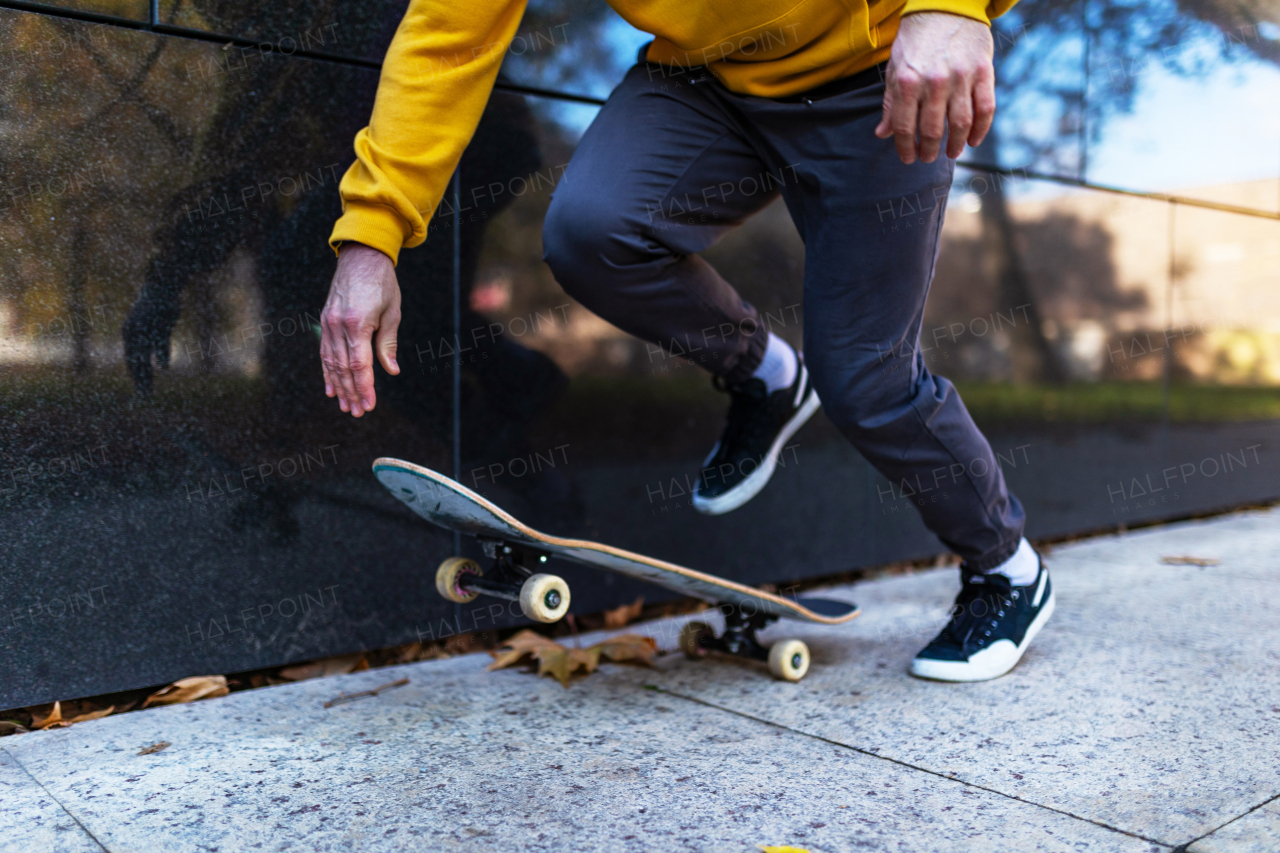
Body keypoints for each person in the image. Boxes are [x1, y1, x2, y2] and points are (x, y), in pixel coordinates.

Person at [319, 0, 1054, 682]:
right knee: (591, 232)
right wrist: (371, 237)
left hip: (881, 72)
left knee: (867, 381)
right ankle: (763, 374)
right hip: (706, 80)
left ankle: (1007, 568)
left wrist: (953, 8)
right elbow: (449, 35)